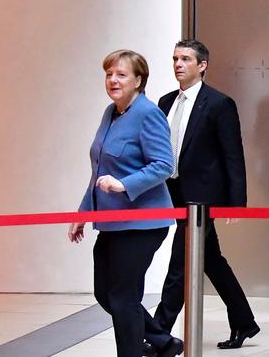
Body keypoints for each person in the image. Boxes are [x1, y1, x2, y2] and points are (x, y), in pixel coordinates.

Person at [68, 50, 181, 357]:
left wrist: (124, 184)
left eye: (121, 74)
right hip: (112, 222)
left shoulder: (147, 113)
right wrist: (83, 212)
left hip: (143, 223)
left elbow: (164, 164)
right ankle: (164, 343)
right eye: (109, 74)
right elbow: (98, 170)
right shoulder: (111, 112)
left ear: (138, 81)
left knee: (123, 297)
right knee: (106, 293)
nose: (113, 80)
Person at [150, 40, 259, 352]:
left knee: (179, 266)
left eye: (186, 59)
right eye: (175, 58)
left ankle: (158, 335)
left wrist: (237, 203)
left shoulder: (219, 103)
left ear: (202, 66)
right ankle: (244, 321)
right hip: (173, 194)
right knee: (212, 261)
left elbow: (232, 155)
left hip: (202, 199)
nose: (178, 64)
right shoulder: (165, 101)